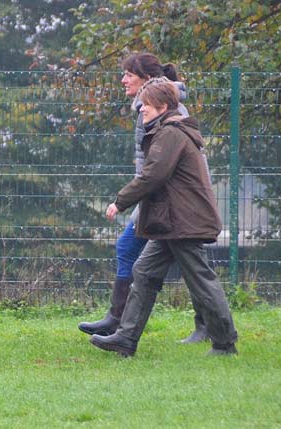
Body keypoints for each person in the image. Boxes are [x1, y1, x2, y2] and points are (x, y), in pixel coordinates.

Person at [89, 79, 238, 357]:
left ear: (163, 106)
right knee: (144, 272)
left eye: (146, 104)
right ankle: (126, 339)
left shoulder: (170, 133)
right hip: (172, 221)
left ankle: (224, 343)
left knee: (201, 281)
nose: (141, 109)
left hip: (184, 221)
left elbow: (152, 175)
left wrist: (120, 202)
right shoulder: (168, 130)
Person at [78, 53, 208, 343]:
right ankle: (119, 322)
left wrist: (126, 201)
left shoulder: (165, 109)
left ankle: (211, 329)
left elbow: (159, 169)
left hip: (175, 202)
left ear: (147, 79)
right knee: (161, 260)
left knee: (192, 268)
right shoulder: (146, 108)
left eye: (129, 74)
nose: (123, 80)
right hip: (159, 198)